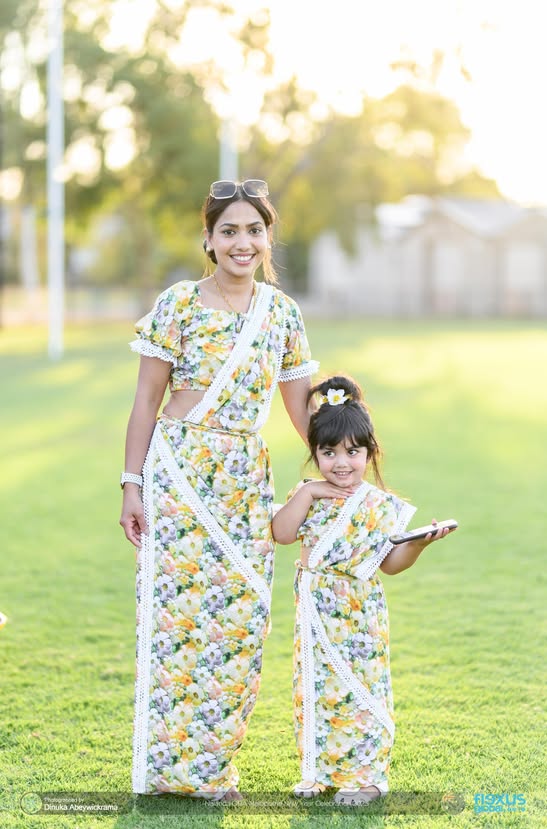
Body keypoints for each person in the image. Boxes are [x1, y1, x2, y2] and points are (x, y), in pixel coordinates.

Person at [119, 179, 319, 800]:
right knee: (177, 621)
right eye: (228, 230)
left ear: (267, 239)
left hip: (242, 481)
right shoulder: (178, 303)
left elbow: (300, 410)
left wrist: (346, 461)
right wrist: (132, 484)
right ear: (208, 239)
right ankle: (169, 770)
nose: (242, 242)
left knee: (239, 620)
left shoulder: (281, 313)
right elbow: (148, 399)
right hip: (177, 474)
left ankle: (210, 767)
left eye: (254, 230)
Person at [272, 375, 456, 806]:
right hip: (315, 613)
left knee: (361, 689)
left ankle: (369, 778)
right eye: (328, 452)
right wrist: (310, 491)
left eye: (353, 452)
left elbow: (389, 565)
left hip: (358, 615)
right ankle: (317, 772)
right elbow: (281, 533)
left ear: (369, 453)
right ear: (314, 451)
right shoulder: (308, 495)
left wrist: (417, 545)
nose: (341, 464)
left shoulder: (378, 505)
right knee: (315, 690)